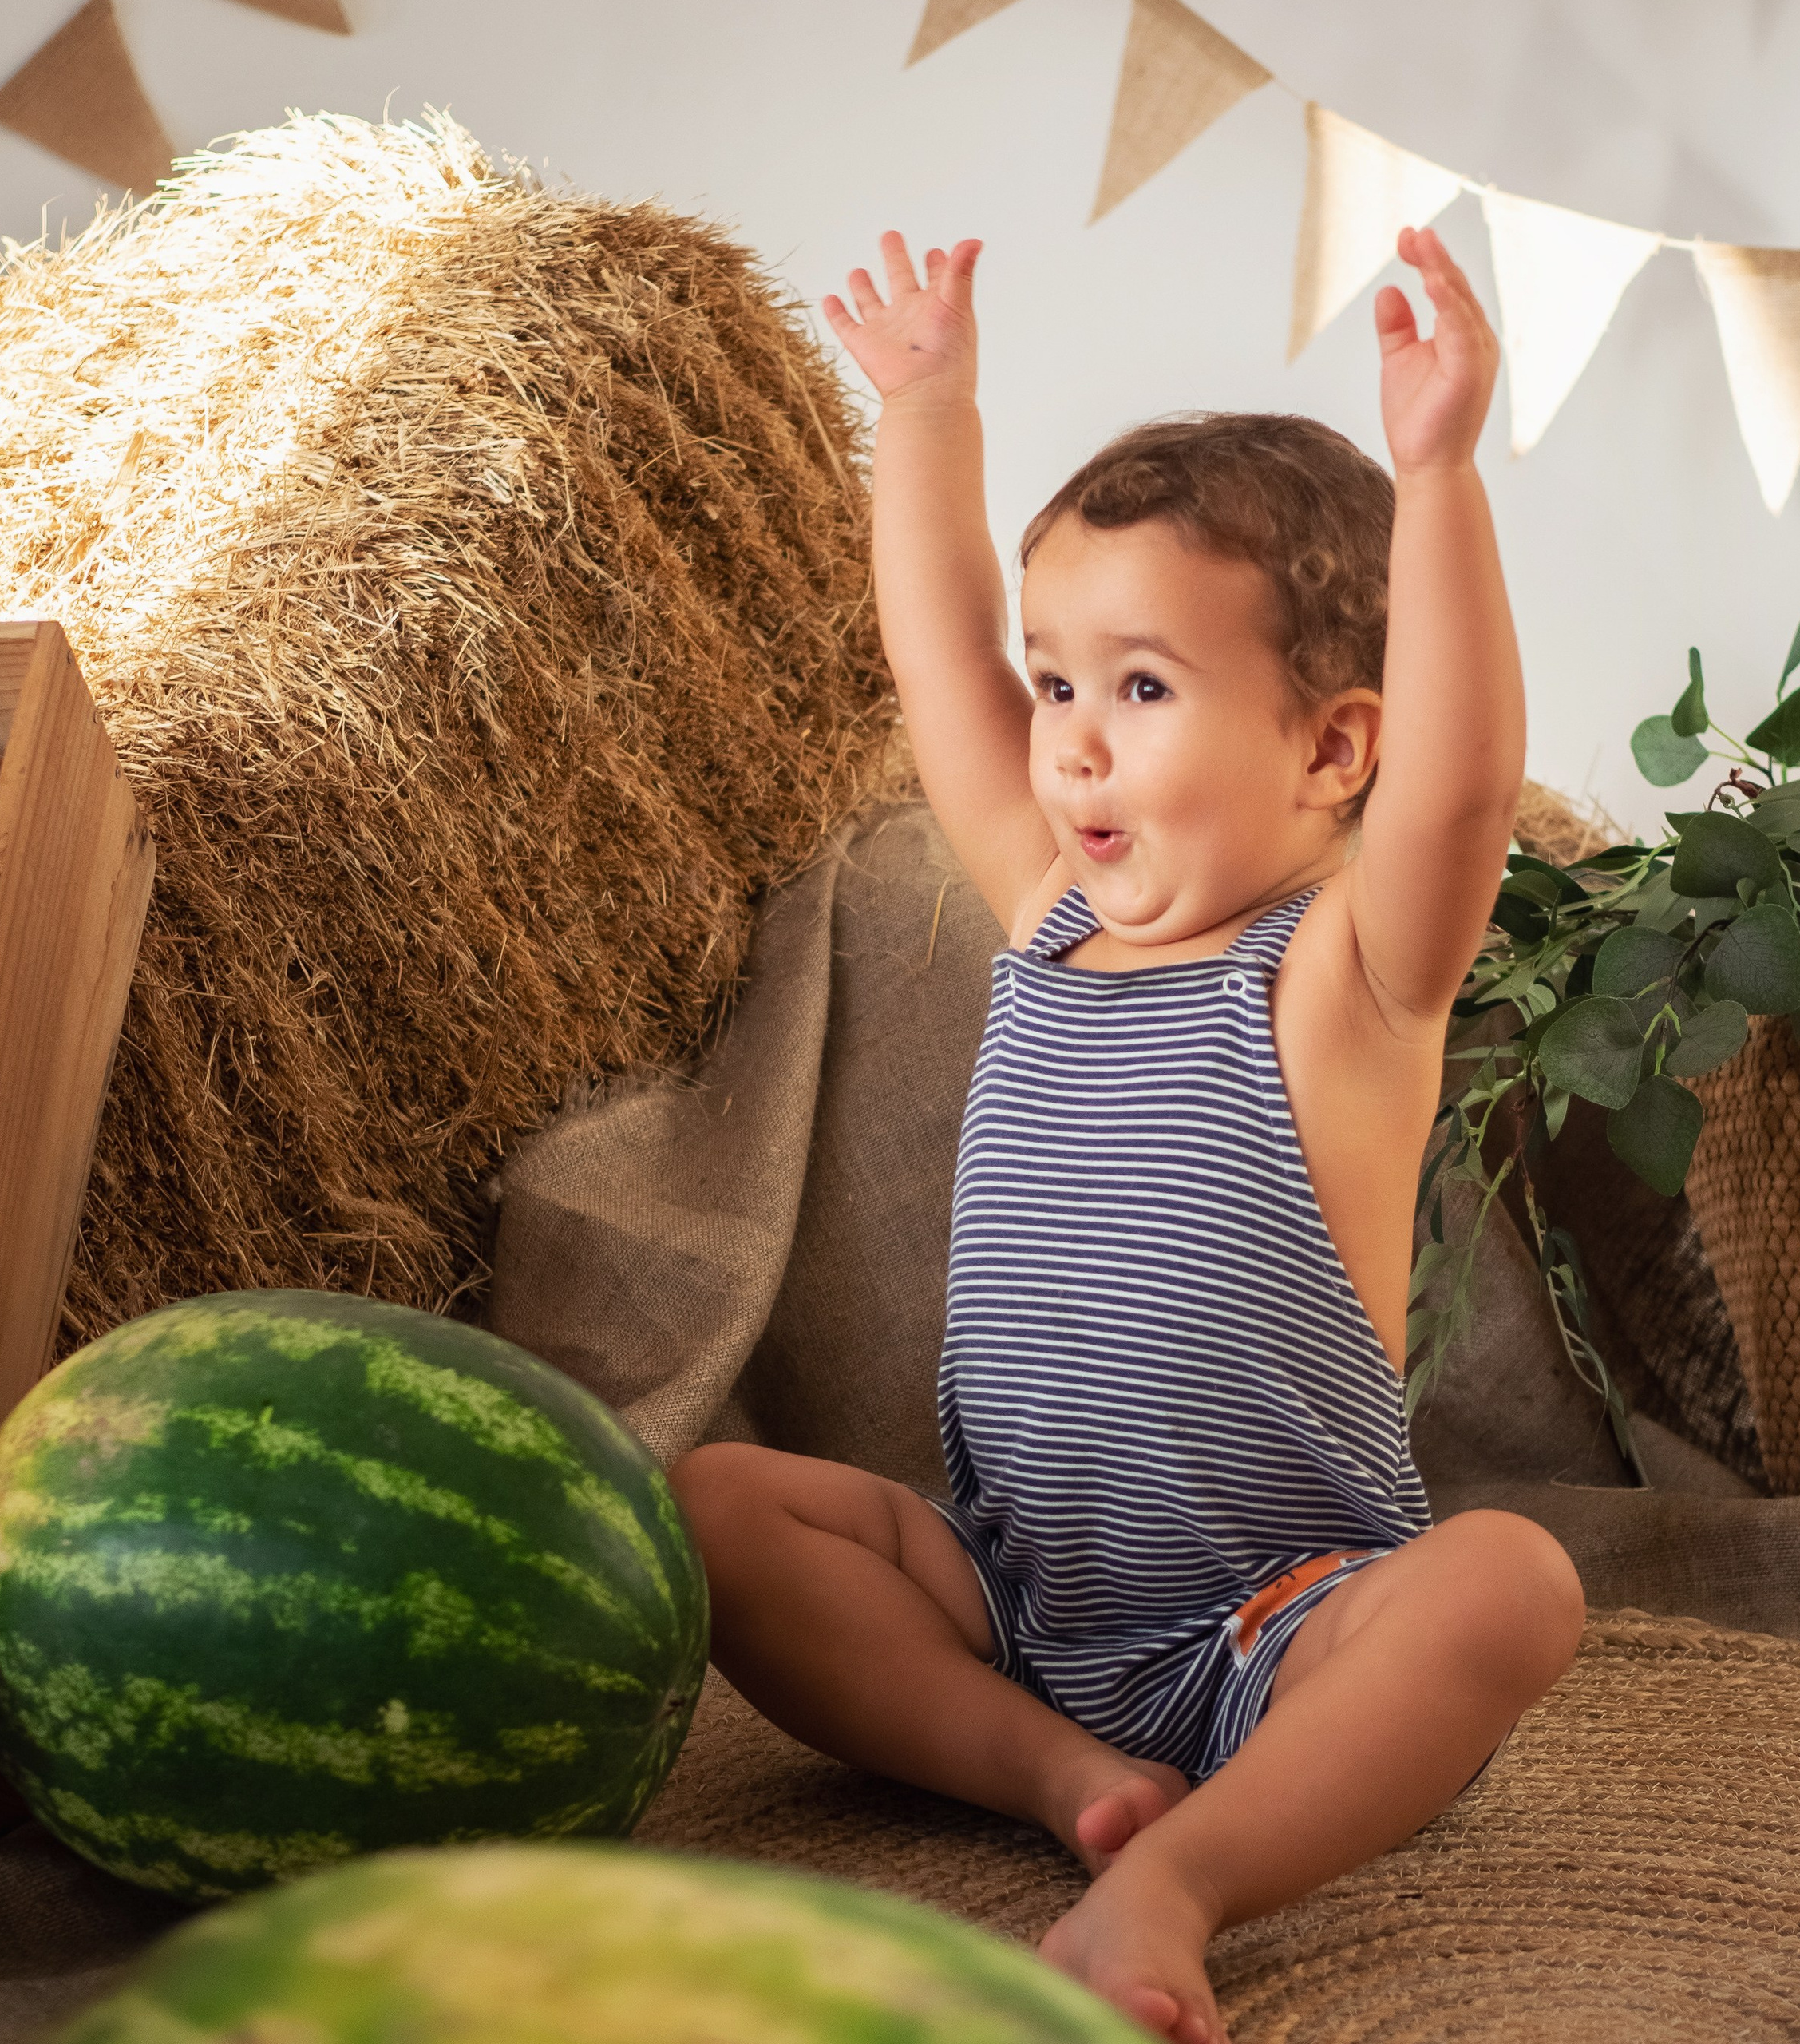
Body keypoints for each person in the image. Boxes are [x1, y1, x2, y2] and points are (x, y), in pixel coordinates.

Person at [668, 224, 1584, 2044]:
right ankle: (1060, 1777)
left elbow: (1465, 786)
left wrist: (1438, 478)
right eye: (1060, 682)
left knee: (1510, 1585)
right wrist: (928, 411)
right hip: (1013, 1604)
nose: (1073, 743)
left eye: (1142, 687)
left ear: (1332, 751)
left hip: (1284, 1624)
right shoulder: (1049, 913)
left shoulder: (1339, 977)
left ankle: (1177, 1878)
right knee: (715, 1505)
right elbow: (940, 662)